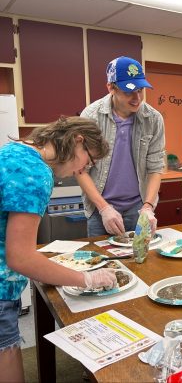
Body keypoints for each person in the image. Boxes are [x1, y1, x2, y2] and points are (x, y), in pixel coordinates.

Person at [0, 117, 118, 382]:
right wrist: (85, 278)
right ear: (78, 140)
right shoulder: (36, 173)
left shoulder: (15, 150)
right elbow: (20, 257)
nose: (83, 169)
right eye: (88, 160)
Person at [77, 56, 165, 238]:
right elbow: (80, 169)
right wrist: (104, 208)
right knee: (102, 262)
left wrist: (148, 206)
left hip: (138, 207)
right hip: (100, 208)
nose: (137, 98)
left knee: (141, 263)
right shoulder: (91, 117)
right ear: (111, 87)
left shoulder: (153, 119)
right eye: (129, 92)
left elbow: (155, 167)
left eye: (140, 91)